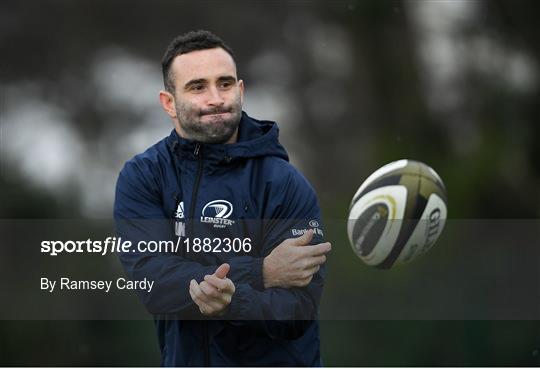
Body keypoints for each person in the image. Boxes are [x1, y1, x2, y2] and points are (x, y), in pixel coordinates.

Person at [114, 30, 331, 366]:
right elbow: (154, 283)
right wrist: (261, 272)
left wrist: (232, 301)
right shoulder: (144, 177)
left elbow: (298, 310)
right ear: (169, 102)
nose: (215, 98)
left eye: (225, 84)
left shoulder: (285, 183)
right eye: (197, 87)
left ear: (241, 90)